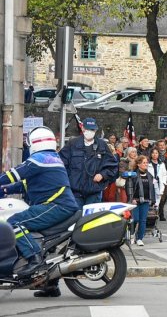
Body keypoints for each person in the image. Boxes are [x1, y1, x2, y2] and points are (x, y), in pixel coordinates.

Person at [0, 127, 78, 297]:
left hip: (56, 205)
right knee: (42, 240)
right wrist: (4, 191)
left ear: (33, 142)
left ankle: (33, 258)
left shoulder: (38, 159)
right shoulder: (51, 158)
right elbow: (25, 184)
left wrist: (2, 182)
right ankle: (50, 285)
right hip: (61, 205)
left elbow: (14, 175)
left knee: (14, 222)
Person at [59, 118, 118, 207]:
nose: (90, 132)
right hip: (75, 192)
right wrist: (69, 180)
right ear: (83, 128)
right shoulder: (73, 144)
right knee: (76, 218)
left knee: (91, 218)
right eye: (88, 129)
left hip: (94, 191)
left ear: (95, 130)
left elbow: (113, 166)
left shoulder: (102, 145)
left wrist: (102, 175)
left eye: (92, 130)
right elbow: (61, 163)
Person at [127, 155, 156, 246]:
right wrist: (131, 199)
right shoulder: (133, 175)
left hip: (146, 200)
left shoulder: (149, 176)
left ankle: (140, 238)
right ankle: (131, 235)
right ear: (138, 164)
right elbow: (128, 187)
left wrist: (153, 200)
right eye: (144, 163)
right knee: (135, 219)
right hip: (135, 200)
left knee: (143, 220)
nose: (146, 164)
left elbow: (152, 189)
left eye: (147, 162)